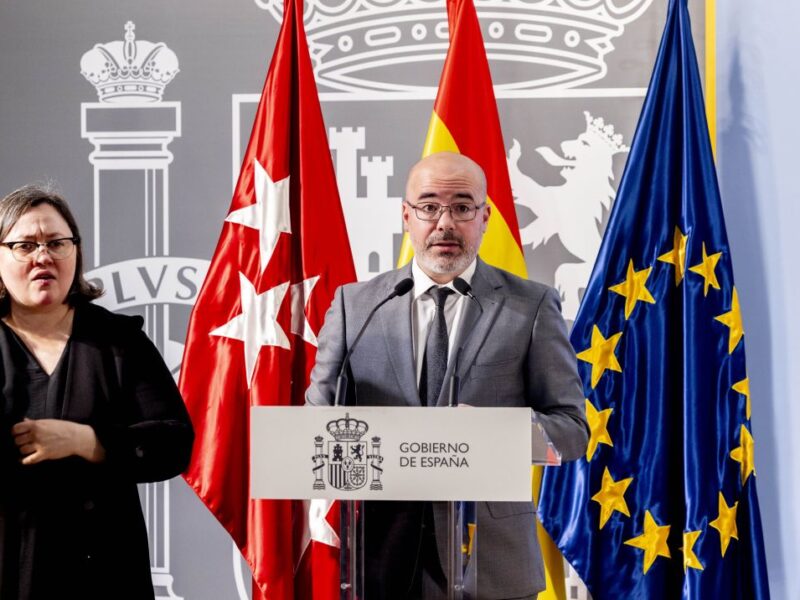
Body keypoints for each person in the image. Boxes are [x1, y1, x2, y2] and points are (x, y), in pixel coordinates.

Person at [307, 152, 589, 599]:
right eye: (429, 206)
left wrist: (495, 433)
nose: (445, 223)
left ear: (485, 217)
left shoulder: (530, 306)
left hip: (492, 562)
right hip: (382, 556)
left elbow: (572, 430)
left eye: (462, 207)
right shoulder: (356, 306)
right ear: (406, 216)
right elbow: (314, 429)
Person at [0, 184, 194, 600]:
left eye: (57, 243)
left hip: (102, 568)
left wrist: (88, 441)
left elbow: (175, 442)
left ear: (76, 252)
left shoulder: (118, 340)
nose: (43, 257)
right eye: (24, 245)